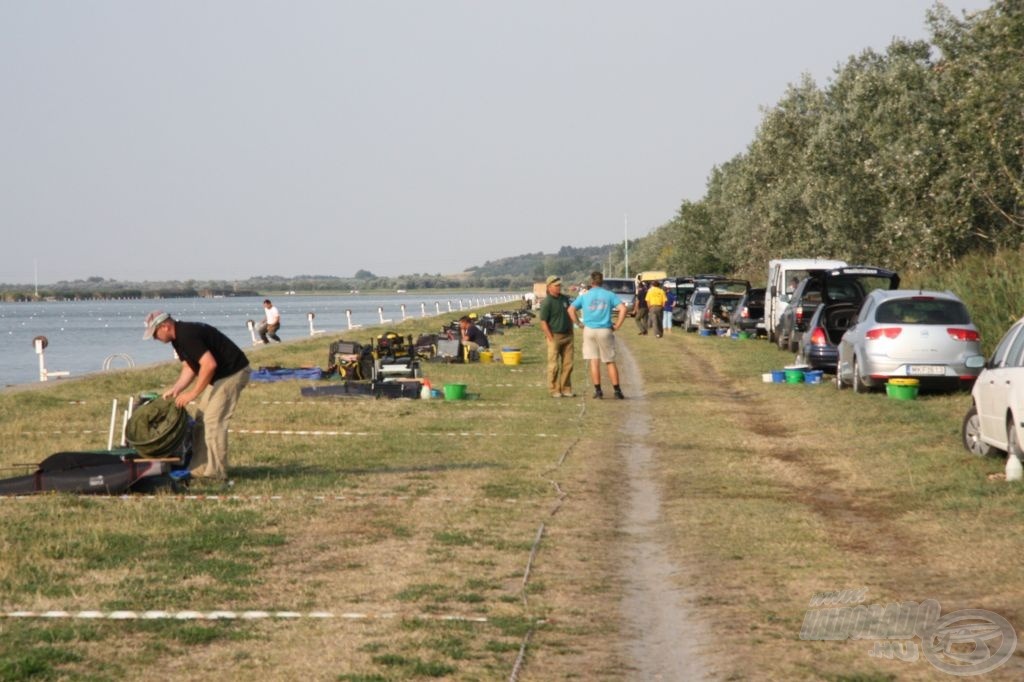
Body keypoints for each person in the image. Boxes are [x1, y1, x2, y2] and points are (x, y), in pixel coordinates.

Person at [144, 310, 251, 482]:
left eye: (155, 333)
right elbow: (189, 367)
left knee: (213, 421)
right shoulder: (177, 340)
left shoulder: (187, 335)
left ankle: (216, 473)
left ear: (165, 326)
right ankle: (200, 468)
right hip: (219, 376)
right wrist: (177, 388)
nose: (155, 338)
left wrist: (192, 394)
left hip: (233, 373)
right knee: (201, 421)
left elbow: (209, 365)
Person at [568, 271, 627, 399]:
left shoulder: (585, 295)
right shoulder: (609, 295)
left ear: (591, 281)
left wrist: (578, 323)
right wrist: (617, 325)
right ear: (602, 281)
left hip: (589, 330)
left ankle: (598, 391)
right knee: (610, 361)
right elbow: (623, 309)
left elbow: (571, 309)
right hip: (605, 329)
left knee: (594, 361)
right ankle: (617, 391)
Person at [538, 275, 575, 398]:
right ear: (549, 287)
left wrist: (571, 329)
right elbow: (543, 322)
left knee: (568, 364)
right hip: (555, 336)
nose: (559, 287)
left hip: (568, 335)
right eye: (556, 285)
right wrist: (550, 337)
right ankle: (554, 389)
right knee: (554, 365)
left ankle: (566, 388)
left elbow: (570, 313)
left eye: (560, 285)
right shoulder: (547, 302)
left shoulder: (564, 299)